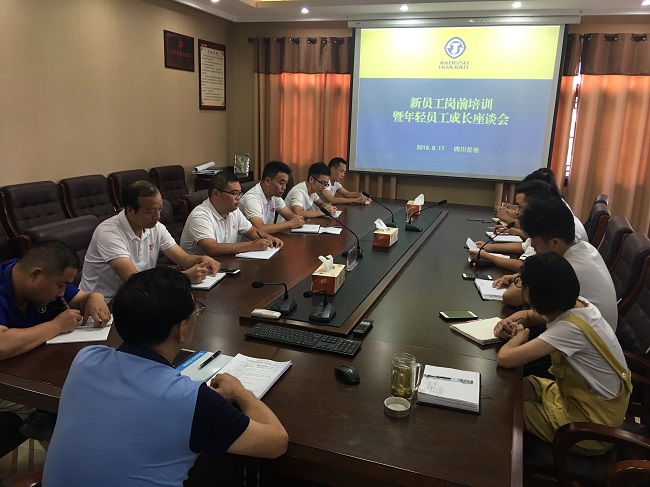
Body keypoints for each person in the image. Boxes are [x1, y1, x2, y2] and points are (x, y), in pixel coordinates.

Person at [42, 268, 288, 485]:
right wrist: (240, 392)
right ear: (181, 329)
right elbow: (276, 442)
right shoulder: (191, 400)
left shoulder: (85, 359)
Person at [496, 252, 630, 455]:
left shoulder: (569, 330)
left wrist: (520, 337)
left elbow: (505, 358)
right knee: (511, 389)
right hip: (577, 400)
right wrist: (510, 321)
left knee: (505, 409)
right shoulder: (578, 305)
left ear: (535, 295)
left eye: (522, 283)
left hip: (589, 428)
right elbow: (529, 316)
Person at [0, 240, 111, 449]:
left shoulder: (45, 281)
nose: (62, 293)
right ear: (35, 275)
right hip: (8, 383)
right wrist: (56, 326)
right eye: (61, 286)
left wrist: (94, 297)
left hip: (31, 371)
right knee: (76, 403)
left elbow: (82, 298)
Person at [80, 181, 220, 300]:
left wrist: (201, 259)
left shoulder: (155, 227)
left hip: (142, 295)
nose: (157, 216)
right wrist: (183, 277)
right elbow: (134, 280)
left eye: (159, 209)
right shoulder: (109, 233)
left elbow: (183, 258)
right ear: (130, 210)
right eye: (150, 211)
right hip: (105, 302)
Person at [495, 200, 618, 330]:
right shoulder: (582, 247)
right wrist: (520, 277)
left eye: (534, 241)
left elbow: (510, 297)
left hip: (585, 336)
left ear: (555, 242)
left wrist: (522, 279)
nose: (532, 246)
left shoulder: (567, 268)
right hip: (585, 327)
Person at [181, 171, 283, 256]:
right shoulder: (200, 215)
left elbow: (251, 231)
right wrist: (252, 245)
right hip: (198, 270)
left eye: (239, 193)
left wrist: (269, 238)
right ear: (216, 194)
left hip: (226, 263)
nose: (238, 198)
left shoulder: (233, 211)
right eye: (234, 193)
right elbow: (212, 248)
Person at [239, 160, 305, 234]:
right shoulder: (252, 198)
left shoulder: (274, 195)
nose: (284, 187)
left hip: (267, 238)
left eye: (285, 183)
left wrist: (296, 218)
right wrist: (291, 223)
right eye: (281, 183)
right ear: (267, 181)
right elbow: (260, 228)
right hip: (252, 240)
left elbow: (289, 215)